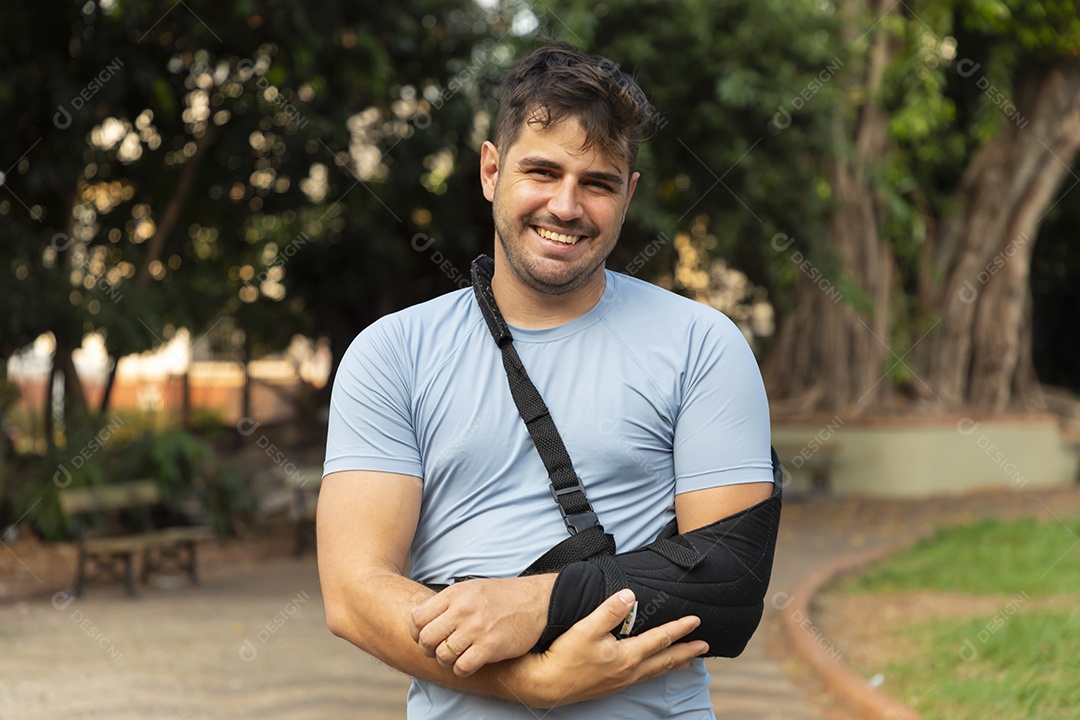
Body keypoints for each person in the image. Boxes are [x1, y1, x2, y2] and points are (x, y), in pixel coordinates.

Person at [318, 40, 776, 718]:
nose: (566, 206)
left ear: (630, 195)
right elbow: (356, 596)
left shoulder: (700, 344)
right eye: (542, 172)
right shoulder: (391, 354)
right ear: (491, 170)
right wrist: (532, 684)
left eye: (597, 183)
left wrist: (541, 603)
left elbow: (728, 582)